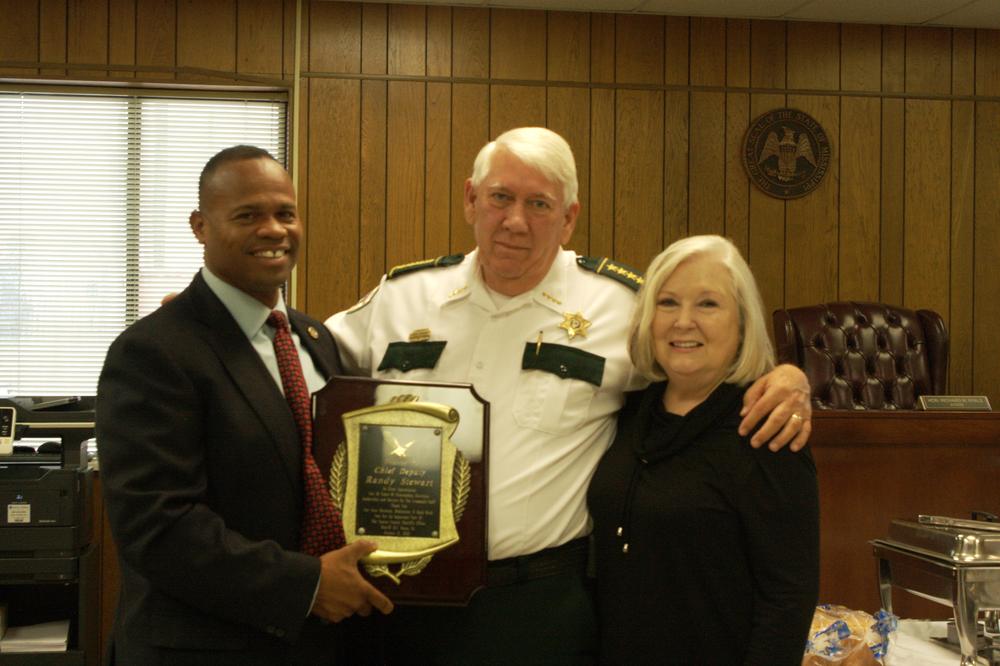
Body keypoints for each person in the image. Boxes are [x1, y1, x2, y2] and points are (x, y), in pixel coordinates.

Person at [325, 127, 813, 664]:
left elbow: (700, 359)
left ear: (569, 218)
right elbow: (300, 362)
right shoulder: (400, 297)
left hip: (538, 605)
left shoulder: (622, 308)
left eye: (539, 204)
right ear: (471, 199)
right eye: (500, 197)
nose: (515, 221)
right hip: (401, 596)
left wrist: (789, 377)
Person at [96, 146, 393, 666]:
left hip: (322, 642)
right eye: (247, 215)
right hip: (203, 648)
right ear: (200, 226)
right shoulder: (153, 350)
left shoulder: (315, 339)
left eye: (285, 213)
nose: (274, 230)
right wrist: (306, 585)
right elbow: (157, 526)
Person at [587, 235, 819, 665]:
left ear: (743, 323)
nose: (683, 321)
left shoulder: (765, 429)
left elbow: (788, 598)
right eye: (668, 302)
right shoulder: (630, 410)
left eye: (708, 304)